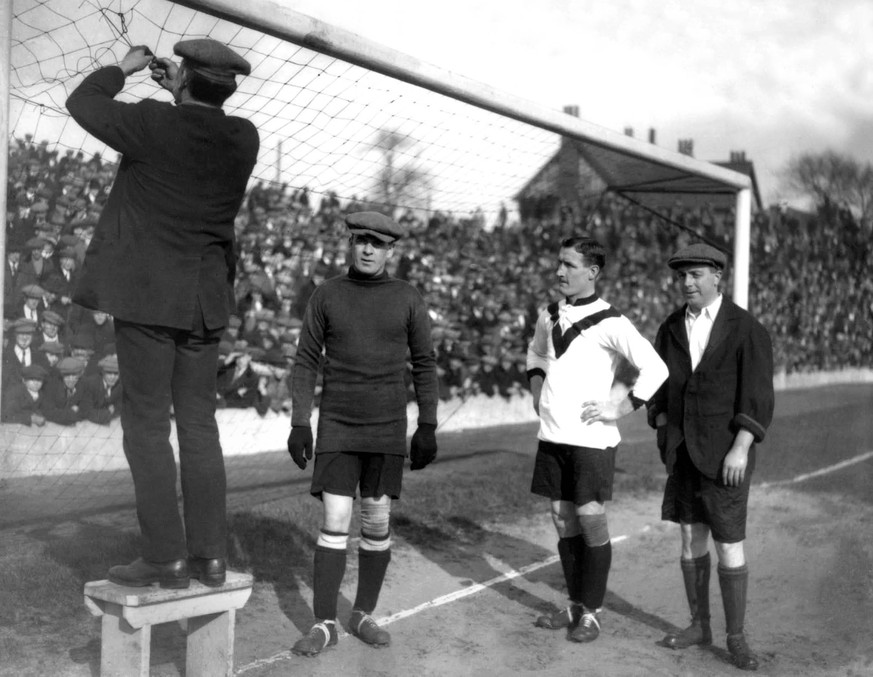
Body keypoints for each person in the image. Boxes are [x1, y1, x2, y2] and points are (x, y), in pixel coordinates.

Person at [66, 39, 258, 589]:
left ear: (186, 79)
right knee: (199, 428)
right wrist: (184, 91)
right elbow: (198, 126)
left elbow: (83, 101)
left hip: (149, 299)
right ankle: (210, 557)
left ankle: (165, 557)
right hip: (203, 304)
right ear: (228, 87)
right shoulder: (244, 137)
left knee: (147, 429)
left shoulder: (152, 122)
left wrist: (122, 69)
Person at [287, 212, 439, 656]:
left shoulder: (407, 297)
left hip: (387, 427)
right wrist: (300, 421)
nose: (368, 249)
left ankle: (363, 613)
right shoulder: (327, 294)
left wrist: (426, 424)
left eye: (378, 243)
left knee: (376, 523)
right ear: (350, 244)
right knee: (334, 522)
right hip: (338, 423)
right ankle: (324, 624)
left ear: (392, 251)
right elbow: (305, 360)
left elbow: (425, 364)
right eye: (361, 241)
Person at [526, 236, 668, 643]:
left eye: (569, 265)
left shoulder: (611, 321)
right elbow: (536, 355)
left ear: (592, 272)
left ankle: (592, 611)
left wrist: (619, 408)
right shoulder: (548, 314)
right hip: (552, 434)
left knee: (589, 516)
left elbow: (655, 368)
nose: (559, 272)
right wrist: (536, 387)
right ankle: (574, 603)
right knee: (561, 516)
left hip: (591, 438)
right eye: (558, 263)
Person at [647, 243, 774, 671]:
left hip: (726, 455)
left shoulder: (745, 328)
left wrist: (741, 446)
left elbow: (757, 395)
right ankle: (699, 624)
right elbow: (658, 385)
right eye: (682, 276)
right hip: (683, 452)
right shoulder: (669, 328)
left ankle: (735, 637)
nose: (687, 283)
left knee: (729, 543)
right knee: (689, 538)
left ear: (718, 277)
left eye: (697, 275)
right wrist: (664, 427)